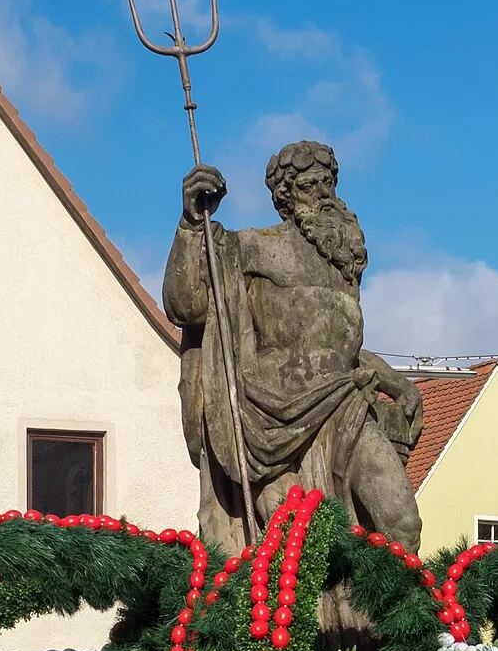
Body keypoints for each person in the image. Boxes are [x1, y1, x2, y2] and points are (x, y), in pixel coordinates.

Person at [163, 141, 423, 556]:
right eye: (307, 185)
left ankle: (395, 619)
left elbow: (343, 350)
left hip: (344, 401)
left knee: (402, 521)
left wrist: (399, 384)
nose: (321, 194)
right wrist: (191, 225)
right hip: (273, 418)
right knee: (299, 547)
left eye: (327, 183)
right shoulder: (252, 246)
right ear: (285, 197)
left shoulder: (339, 261)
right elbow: (187, 305)